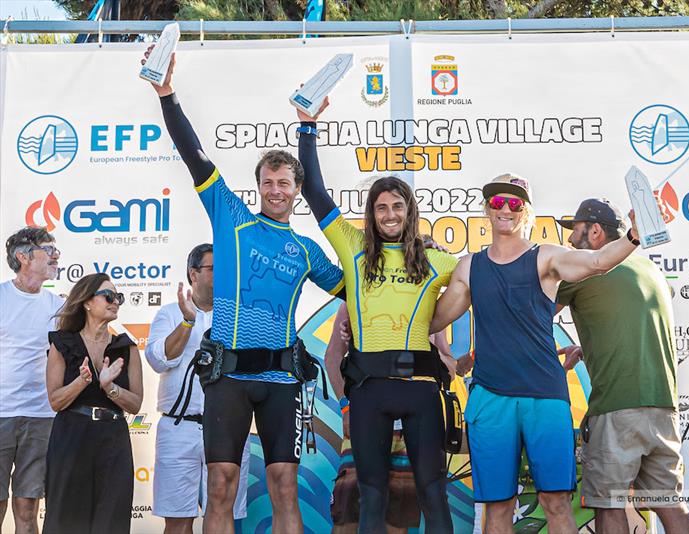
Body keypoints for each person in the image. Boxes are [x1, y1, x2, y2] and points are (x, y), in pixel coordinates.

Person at [144, 48, 345, 534]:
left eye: (284, 183)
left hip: (281, 381)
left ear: (297, 190)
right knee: (221, 485)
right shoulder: (231, 218)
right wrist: (166, 93)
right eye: (267, 182)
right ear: (257, 186)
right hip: (229, 376)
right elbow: (194, 154)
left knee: (282, 485)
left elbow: (358, 293)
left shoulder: (305, 250)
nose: (275, 190)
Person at [430, 174, 642, 534]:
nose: (506, 209)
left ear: (526, 211)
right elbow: (432, 319)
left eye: (515, 203)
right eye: (497, 202)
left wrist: (635, 235)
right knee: (498, 506)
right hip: (491, 398)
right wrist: (362, 320)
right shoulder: (469, 267)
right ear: (487, 210)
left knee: (556, 502)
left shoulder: (545, 257)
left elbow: (597, 263)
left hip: (544, 397)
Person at [297, 99, 458, 534]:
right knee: (372, 494)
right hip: (368, 391)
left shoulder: (436, 262)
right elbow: (313, 191)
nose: (390, 215)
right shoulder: (353, 249)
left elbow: (492, 277)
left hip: (421, 391)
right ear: (372, 213)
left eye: (398, 207)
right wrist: (307, 128)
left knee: (432, 490)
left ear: (410, 212)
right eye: (381, 208)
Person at [555, 199, 689, 534]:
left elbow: (535, 315)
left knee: (609, 506)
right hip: (663, 409)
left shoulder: (586, 268)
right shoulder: (649, 269)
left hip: (617, 408)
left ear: (595, 231)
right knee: (671, 505)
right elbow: (628, 323)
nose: (571, 241)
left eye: (575, 231)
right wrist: (590, 347)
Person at [325, 303, 457, 534]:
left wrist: (420, 346)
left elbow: (450, 367)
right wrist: (346, 408)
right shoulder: (355, 299)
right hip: (366, 418)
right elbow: (333, 356)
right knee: (347, 512)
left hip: (412, 425)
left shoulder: (429, 301)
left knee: (397, 518)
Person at [145, 244, 250, 534]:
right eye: (215, 268)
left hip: (230, 428)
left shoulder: (240, 316)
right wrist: (188, 321)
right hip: (179, 428)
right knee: (178, 521)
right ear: (194, 274)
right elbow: (158, 360)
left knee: (224, 514)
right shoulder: (169, 313)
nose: (225, 274)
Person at [43, 273, 143, 534]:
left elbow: (135, 404)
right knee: (66, 519)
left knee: (111, 519)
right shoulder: (63, 342)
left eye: (118, 297)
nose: (116, 302)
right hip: (72, 437)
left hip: (113, 439)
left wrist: (110, 388)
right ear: (87, 302)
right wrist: (82, 381)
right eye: (108, 296)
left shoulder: (126, 346)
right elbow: (55, 401)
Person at [1, 227, 64, 534]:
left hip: (41, 416)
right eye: (48, 249)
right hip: (0, 414)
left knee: (28, 507)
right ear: (23, 257)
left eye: (56, 250)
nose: (56, 256)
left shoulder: (58, 306)